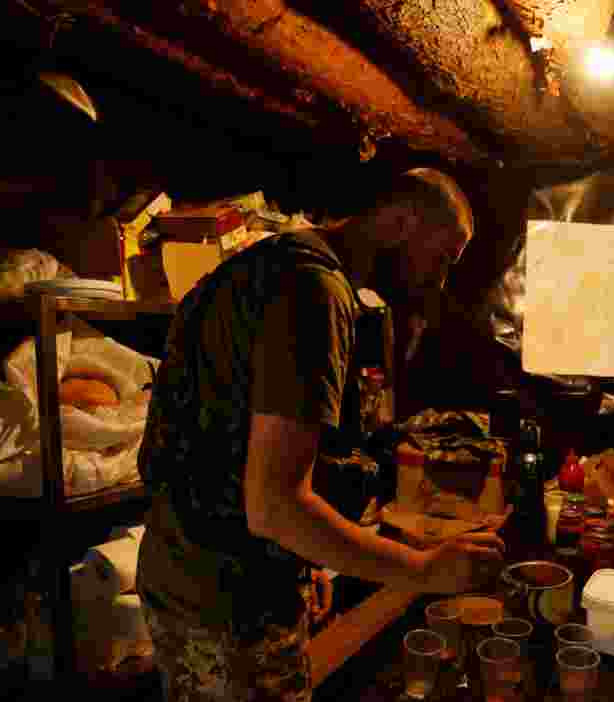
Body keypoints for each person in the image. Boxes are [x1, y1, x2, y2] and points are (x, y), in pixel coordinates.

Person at [136, 168, 504, 702]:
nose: (439, 280)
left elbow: (236, 457)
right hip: (227, 601)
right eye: (444, 258)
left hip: (188, 570)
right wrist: (425, 569)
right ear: (401, 223)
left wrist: (309, 559)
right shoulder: (314, 289)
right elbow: (275, 506)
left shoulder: (269, 264)